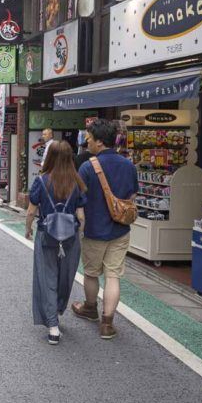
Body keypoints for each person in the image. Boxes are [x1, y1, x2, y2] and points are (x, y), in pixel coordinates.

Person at [71, 119, 138, 340]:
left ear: (99, 142)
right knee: (113, 276)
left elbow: (79, 199)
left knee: (91, 273)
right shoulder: (128, 165)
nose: (86, 143)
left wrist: (80, 220)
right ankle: (107, 324)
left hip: (94, 229)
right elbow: (131, 198)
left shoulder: (88, 167)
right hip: (120, 230)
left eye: (89, 139)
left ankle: (90, 308)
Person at [25, 141, 87, 345]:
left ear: (50, 157)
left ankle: (52, 326)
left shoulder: (41, 181)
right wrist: (80, 234)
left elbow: (32, 210)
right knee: (65, 278)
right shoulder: (76, 182)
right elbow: (81, 215)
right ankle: (58, 309)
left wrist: (28, 228)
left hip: (46, 235)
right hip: (70, 237)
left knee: (47, 278)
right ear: (70, 158)